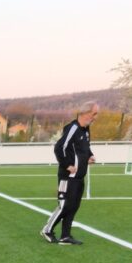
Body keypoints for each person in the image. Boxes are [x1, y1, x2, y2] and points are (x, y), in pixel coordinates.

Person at [41, 101, 98, 245]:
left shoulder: (86, 129)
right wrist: (67, 165)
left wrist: (89, 155)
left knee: (74, 206)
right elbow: (59, 148)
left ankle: (65, 236)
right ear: (85, 113)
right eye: (94, 113)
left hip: (80, 176)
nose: (95, 117)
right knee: (65, 205)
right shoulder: (73, 128)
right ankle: (47, 230)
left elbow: (85, 147)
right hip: (68, 176)